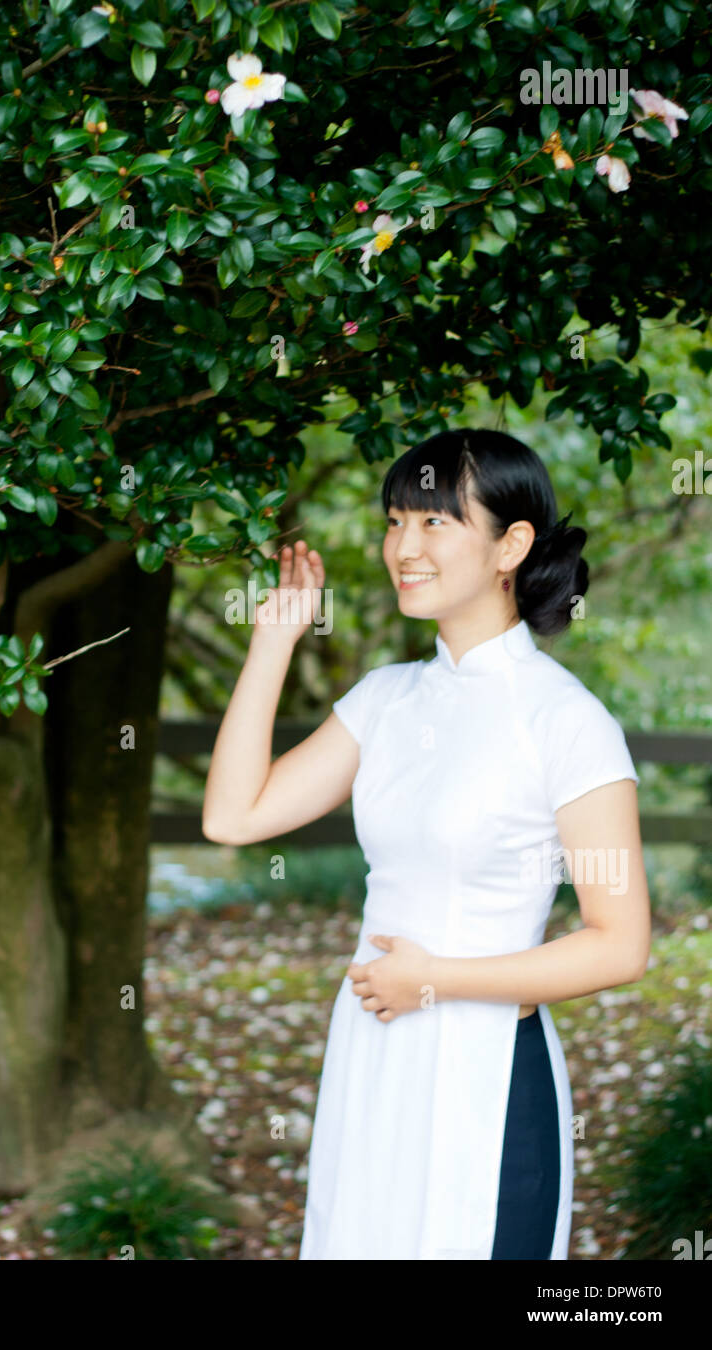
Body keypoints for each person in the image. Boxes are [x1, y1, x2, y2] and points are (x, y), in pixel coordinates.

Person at [202, 427, 651, 1260]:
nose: (404, 547)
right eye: (396, 521)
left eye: (435, 523)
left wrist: (436, 983)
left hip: (485, 1068)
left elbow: (619, 945)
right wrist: (273, 640)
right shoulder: (385, 700)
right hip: (374, 1052)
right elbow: (235, 817)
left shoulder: (566, 723)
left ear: (511, 545)